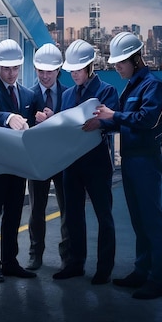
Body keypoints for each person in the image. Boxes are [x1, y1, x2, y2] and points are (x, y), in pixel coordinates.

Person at [94, 32, 162, 299]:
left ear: (136, 59)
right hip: (130, 161)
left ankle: (157, 280)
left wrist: (113, 114)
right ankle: (141, 271)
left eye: (120, 63)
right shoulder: (131, 87)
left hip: (146, 161)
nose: (116, 68)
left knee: (153, 221)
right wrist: (100, 123)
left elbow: (146, 119)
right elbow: (122, 122)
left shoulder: (154, 87)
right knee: (139, 220)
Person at [53, 39, 118, 285]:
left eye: (78, 69)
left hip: (97, 163)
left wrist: (102, 123)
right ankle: (75, 264)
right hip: (72, 163)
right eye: (71, 69)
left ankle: (104, 268)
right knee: (73, 216)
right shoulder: (67, 94)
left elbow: (117, 122)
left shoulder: (107, 91)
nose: (73, 73)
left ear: (90, 67)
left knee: (104, 215)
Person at [0, 38, 37, 282]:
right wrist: (9, 117)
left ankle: (11, 262)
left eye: (15, 68)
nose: (11, 74)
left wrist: (42, 119)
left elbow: (35, 123)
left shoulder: (28, 94)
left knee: (13, 215)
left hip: (18, 163)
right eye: (6, 68)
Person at [26, 43, 70, 271]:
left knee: (66, 209)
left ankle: (67, 258)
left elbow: (74, 125)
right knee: (36, 210)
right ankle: (35, 254)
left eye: (49, 71)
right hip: (38, 160)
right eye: (40, 71)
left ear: (58, 71)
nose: (44, 76)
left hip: (62, 161)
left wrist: (54, 119)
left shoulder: (69, 95)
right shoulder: (27, 95)